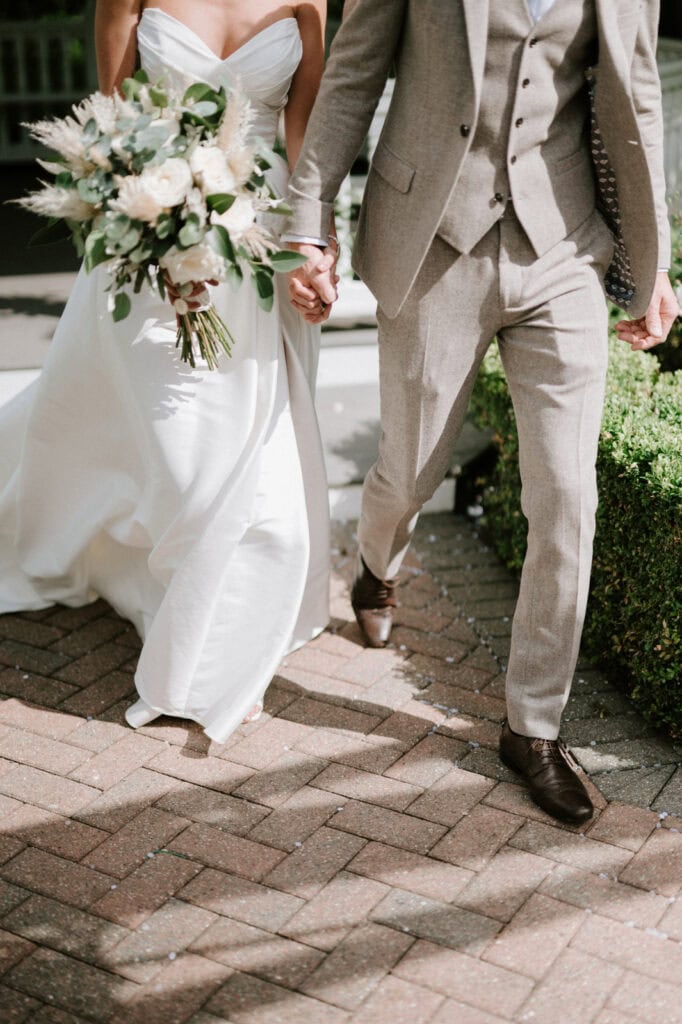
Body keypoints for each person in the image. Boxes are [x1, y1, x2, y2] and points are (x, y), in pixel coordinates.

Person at [285, 0, 680, 823]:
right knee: (413, 465)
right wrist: (307, 225)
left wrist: (652, 263)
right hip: (435, 237)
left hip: (564, 248)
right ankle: (377, 563)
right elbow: (354, 75)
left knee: (568, 496)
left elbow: (637, 96)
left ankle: (533, 727)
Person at [0, 0, 337, 743]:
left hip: (260, 235)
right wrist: (149, 217)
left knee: (242, 446)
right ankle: (164, 572)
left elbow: (303, 131)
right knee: (177, 449)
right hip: (146, 232)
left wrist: (316, 243)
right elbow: (110, 119)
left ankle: (211, 636)